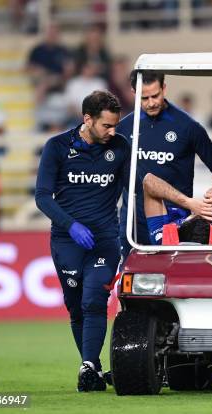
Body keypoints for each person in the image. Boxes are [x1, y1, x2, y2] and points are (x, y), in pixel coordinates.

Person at [35, 91, 129, 392]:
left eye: (115, 125)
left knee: (94, 301)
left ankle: (87, 367)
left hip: (104, 239)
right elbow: (42, 197)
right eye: (107, 126)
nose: (112, 132)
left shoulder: (120, 147)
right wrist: (70, 224)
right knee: (75, 307)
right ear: (87, 119)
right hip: (67, 240)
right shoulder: (57, 147)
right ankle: (94, 369)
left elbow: (133, 191)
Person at [116, 70, 212, 260]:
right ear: (134, 93)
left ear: (164, 89)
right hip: (133, 220)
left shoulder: (187, 127)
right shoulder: (125, 128)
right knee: (131, 279)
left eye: (155, 96)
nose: (151, 102)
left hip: (174, 221)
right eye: (144, 98)